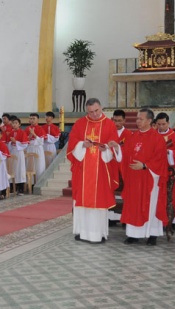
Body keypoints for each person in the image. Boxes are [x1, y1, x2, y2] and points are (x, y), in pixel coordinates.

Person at [67, 98, 121, 243]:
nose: (94, 114)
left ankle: (98, 234)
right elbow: (72, 143)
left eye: (96, 110)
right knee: (82, 200)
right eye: (91, 112)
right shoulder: (80, 123)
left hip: (101, 171)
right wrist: (81, 145)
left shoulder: (109, 124)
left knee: (99, 202)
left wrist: (106, 149)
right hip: (83, 170)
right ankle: (82, 232)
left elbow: (113, 145)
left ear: (101, 107)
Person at [121, 109, 168, 246]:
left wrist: (145, 165)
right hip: (133, 178)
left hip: (149, 178)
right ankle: (133, 234)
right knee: (133, 205)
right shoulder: (132, 137)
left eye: (141, 119)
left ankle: (152, 234)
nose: (138, 121)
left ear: (149, 121)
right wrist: (117, 150)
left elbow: (160, 159)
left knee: (150, 205)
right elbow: (125, 155)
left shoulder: (157, 138)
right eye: (137, 119)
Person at [155, 112, 175, 231]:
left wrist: (169, 152)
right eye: (159, 124)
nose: (161, 127)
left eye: (163, 124)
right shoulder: (153, 135)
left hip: (172, 171)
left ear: (168, 123)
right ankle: (159, 220)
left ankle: (172, 220)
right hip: (157, 172)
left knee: (172, 197)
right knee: (159, 197)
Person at [108, 109, 131, 225]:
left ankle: (123, 218)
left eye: (120, 121)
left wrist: (118, 148)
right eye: (115, 121)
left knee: (123, 194)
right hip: (110, 168)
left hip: (123, 169)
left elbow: (129, 152)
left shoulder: (128, 135)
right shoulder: (108, 133)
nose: (117, 124)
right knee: (110, 193)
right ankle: (111, 217)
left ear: (124, 121)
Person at [7, 116, 29, 195]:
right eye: (13, 123)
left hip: (19, 152)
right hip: (12, 151)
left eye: (16, 123)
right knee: (12, 169)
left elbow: (25, 144)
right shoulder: (11, 133)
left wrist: (16, 141)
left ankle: (21, 188)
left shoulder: (22, 133)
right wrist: (11, 142)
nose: (14, 124)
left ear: (19, 124)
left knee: (20, 170)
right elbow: (8, 142)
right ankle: (12, 187)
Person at [25, 113, 47, 178]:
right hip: (30, 148)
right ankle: (30, 183)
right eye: (30, 118)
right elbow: (25, 140)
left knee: (38, 166)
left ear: (38, 120)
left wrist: (34, 134)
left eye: (33, 118)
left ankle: (38, 181)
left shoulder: (40, 129)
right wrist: (29, 136)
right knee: (29, 165)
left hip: (37, 149)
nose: (32, 120)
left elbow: (41, 142)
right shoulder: (27, 129)